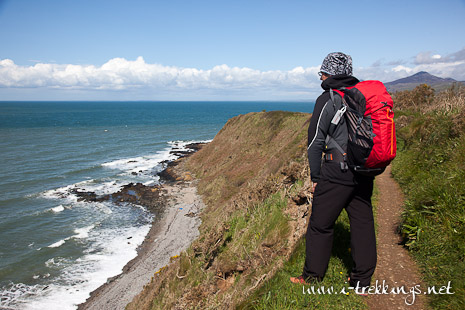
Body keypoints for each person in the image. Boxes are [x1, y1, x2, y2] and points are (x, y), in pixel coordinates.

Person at [290, 52, 376, 290]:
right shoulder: (362, 96)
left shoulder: (327, 99)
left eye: (322, 72)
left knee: (320, 224)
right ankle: (362, 281)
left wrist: (316, 177)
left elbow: (315, 141)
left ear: (328, 73)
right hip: (364, 168)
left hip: (336, 170)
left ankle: (312, 277)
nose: (321, 77)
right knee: (362, 222)